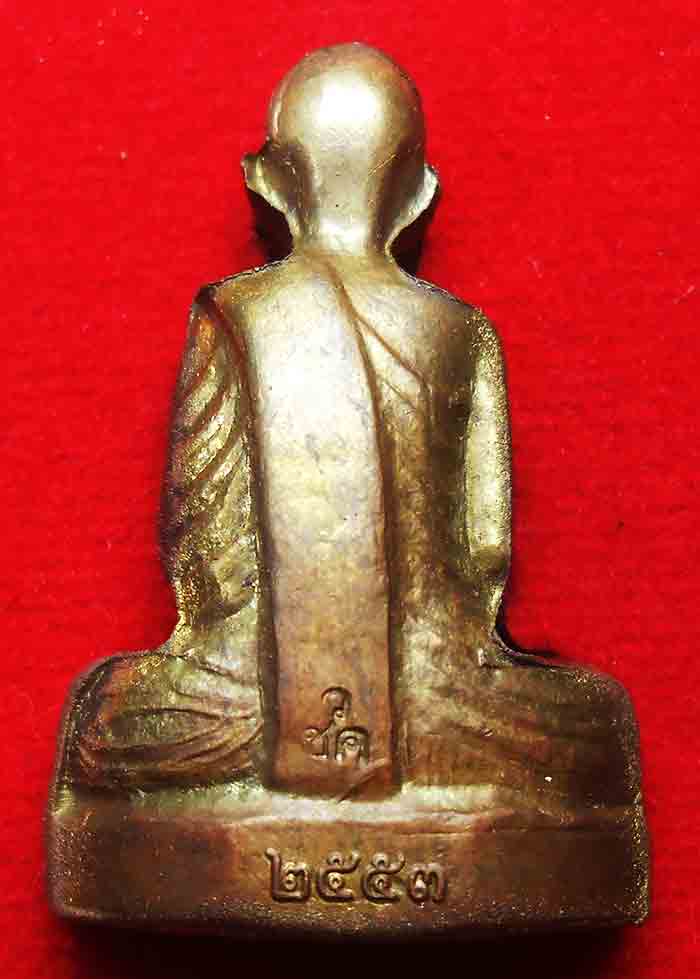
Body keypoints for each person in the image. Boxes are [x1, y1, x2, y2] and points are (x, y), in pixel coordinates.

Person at [61, 44, 639, 812]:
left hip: (242, 711)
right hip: (444, 707)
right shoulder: (462, 333)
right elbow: (485, 555)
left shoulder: (231, 318)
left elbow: (195, 547)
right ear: (418, 197)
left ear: (266, 183)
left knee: (107, 723)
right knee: (588, 731)